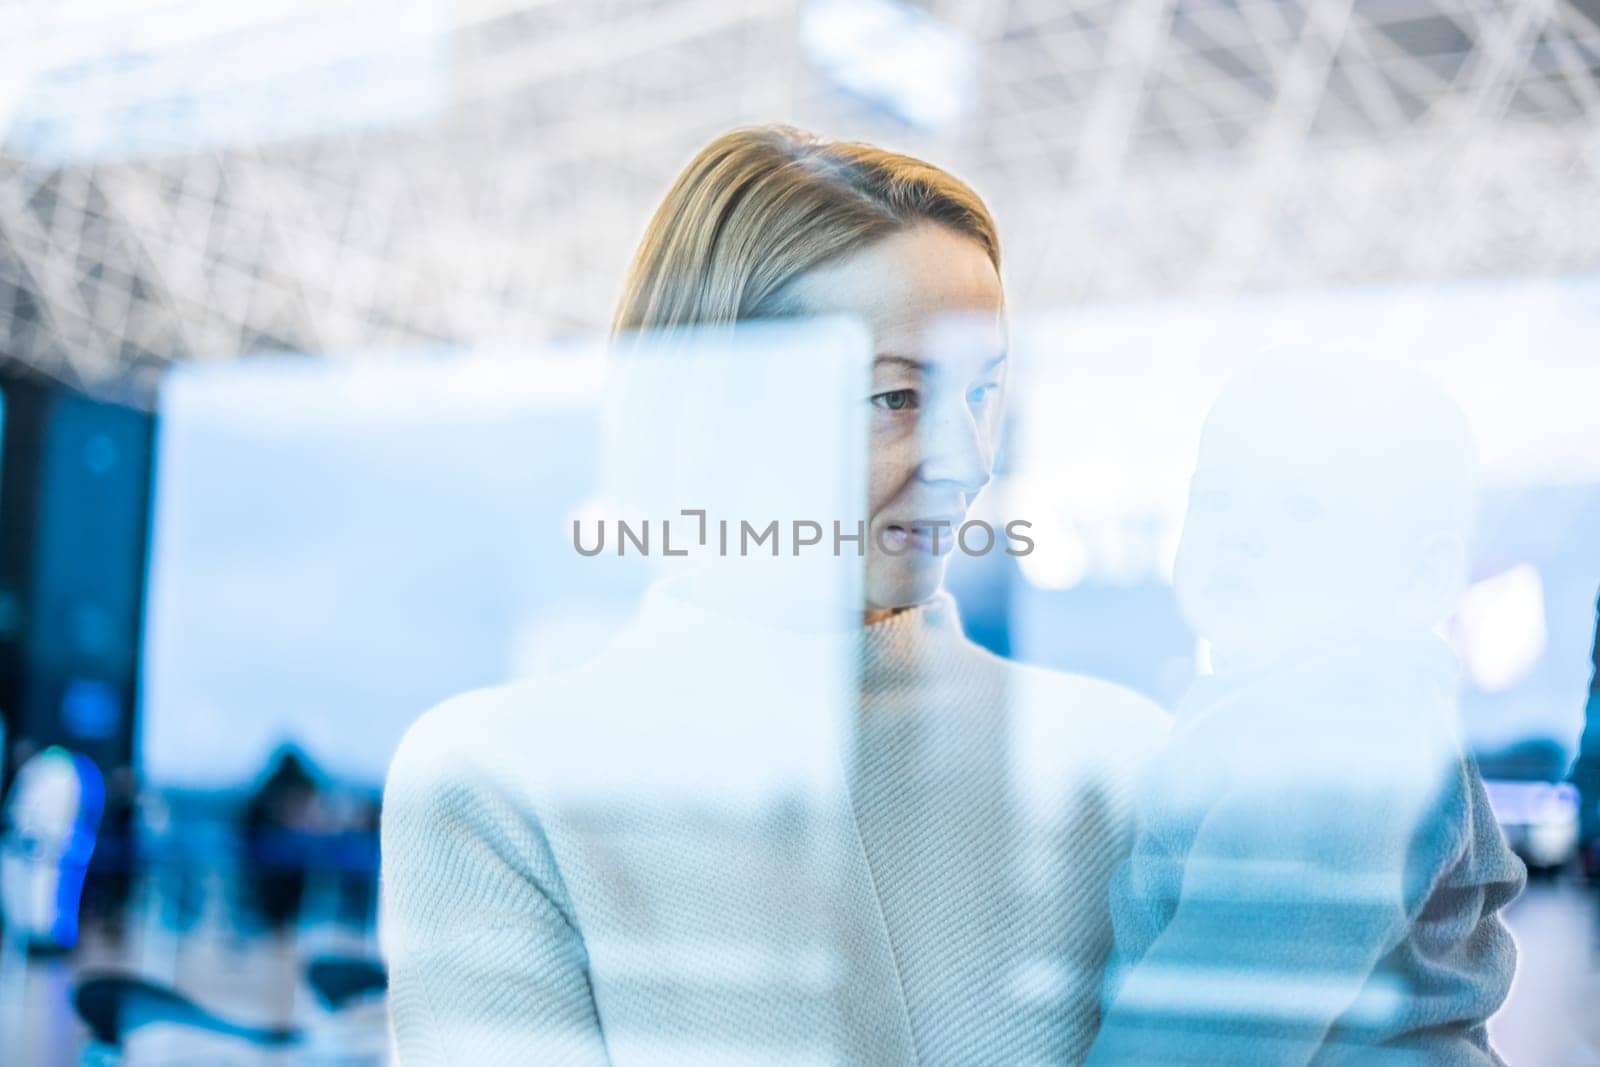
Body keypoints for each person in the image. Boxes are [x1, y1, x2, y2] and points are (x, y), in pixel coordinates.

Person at [379, 126, 1169, 1064]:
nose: (969, 460)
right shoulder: (501, 787)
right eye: (896, 399)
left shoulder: (1120, 763)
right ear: (720, 409)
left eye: (981, 393)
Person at [1086, 357, 1525, 1065]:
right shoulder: (1286, 706)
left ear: (1421, 578)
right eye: (1216, 497)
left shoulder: (1351, 727)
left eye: (1303, 507)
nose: (1238, 533)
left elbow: (1226, 1005)